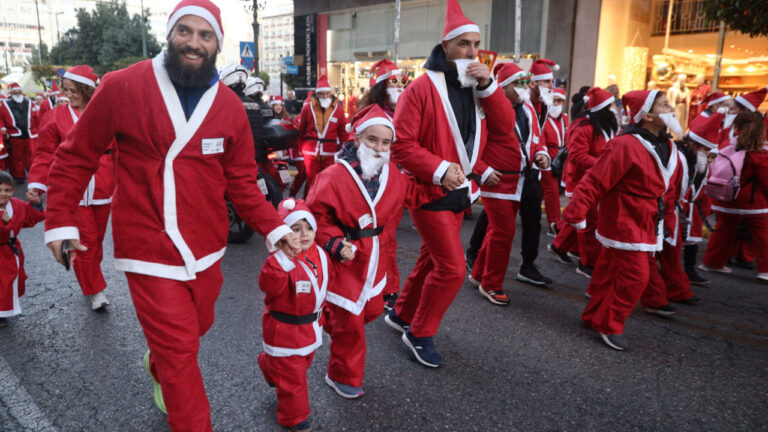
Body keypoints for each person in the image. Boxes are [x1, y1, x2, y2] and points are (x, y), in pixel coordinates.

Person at [41, 1, 301, 430]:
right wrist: (60, 220)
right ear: (169, 34)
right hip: (146, 246)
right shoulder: (124, 86)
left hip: (206, 245)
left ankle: (159, 360)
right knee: (182, 355)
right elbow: (75, 156)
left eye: (205, 35)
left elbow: (241, 185)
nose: (193, 43)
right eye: (185, 31)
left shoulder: (230, 108)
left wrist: (276, 227)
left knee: (198, 326)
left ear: (217, 44)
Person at [385, 0, 505, 367]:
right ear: (446, 46)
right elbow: (401, 145)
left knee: (430, 258)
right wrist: (439, 169)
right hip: (429, 191)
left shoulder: (476, 86)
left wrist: (489, 85)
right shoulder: (420, 88)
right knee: (452, 269)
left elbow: (499, 130)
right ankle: (419, 332)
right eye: (464, 44)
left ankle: (402, 313)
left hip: (461, 192)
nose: (472, 51)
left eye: (476, 44)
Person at [308, 104, 423, 397]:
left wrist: (448, 184)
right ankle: (343, 375)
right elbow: (315, 217)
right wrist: (334, 241)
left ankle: (329, 320)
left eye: (386, 142)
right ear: (357, 139)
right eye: (372, 139)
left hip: (376, 259)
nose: (379, 147)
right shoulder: (333, 176)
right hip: (344, 260)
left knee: (370, 310)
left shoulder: (394, 176)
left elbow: (416, 195)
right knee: (351, 323)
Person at [563, 89, 684, 351]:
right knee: (636, 277)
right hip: (624, 219)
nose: (671, 108)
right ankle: (609, 324)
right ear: (648, 115)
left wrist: (669, 222)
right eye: (664, 105)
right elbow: (595, 179)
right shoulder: (624, 144)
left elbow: (669, 189)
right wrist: (576, 210)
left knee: (613, 274)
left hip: (649, 220)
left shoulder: (668, 145)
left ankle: (593, 316)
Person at [27, 65, 115, 311]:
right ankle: (96, 289)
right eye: (66, 90)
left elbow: (121, 150)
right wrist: (37, 184)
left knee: (96, 240)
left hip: (103, 187)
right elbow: (45, 154)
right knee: (84, 240)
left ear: (87, 91)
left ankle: (90, 279)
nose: (68, 95)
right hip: (72, 191)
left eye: (74, 90)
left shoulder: (105, 113)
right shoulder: (55, 117)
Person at [468, 62, 549, 305]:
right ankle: (491, 285)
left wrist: (541, 154)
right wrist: (482, 171)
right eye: (520, 83)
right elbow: (469, 145)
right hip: (497, 181)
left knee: (497, 231)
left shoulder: (528, 110)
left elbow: (536, 139)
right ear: (502, 87)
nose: (526, 87)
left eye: (527, 82)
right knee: (504, 232)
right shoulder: (485, 110)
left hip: (520, 180)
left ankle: (478, 274)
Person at [258, 198, 334, 432]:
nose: (304, 234)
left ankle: (269, 365)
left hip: (311, 328)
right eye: (295, 228)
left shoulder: (319, 253)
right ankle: (294, 417)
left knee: (303, 364)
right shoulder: (278, 262)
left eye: (308, 227)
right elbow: (269, 286)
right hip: (286, 331)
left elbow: (325, 284)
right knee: (294, 379)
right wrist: (282, 259)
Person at [357, 58, 408, 310]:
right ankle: (374, 285)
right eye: (394, 82)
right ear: (381, 86)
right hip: (368, 183)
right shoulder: (366, 114)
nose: (400, 87)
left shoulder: (407, 111)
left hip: (395, 182)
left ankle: (388, 288)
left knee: (387, 238)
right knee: (371, 236)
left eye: (403, 82)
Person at [550, 87, 617, 277]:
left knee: (582, 218)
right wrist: (603, 165)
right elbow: (578, 156)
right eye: (611, 105)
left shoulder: (603, 126)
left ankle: (560, 244)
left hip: (595, 180)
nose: (614, 108)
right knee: (589, 222)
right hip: (581, 181)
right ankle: (587, 263)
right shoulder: (585, 127)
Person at [700, 108, 768, 283]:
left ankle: (712, 262)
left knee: (723, 230)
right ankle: (765, 271)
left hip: (726, 197)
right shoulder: (760, 153)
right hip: (753, 202)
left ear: (737, 127)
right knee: (762, 235)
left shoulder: (728, 146)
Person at [679, 112, 722, 286]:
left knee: (692, 245)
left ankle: (690, 270)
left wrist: (704, 210)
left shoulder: (705, 167)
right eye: (705, 152)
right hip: (678, 210)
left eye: (711, 155)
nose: (708, 158)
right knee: (671, 247)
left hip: (694, 212)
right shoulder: (682, 160)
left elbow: (704, 194)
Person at [0, 171, 44, 328]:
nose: (3, 194)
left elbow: (29, 218)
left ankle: (5, 308)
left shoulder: (16, 205)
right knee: (3, 282)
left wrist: (36, 204)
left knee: (12, 280)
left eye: (7, 190)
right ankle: (1, 313)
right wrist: (4, 222)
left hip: (12, 251)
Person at [295, 75, 349, 194]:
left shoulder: (338, 109)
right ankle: (309, 207)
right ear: (317, 94)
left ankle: (324, 208)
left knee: (327, 182)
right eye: (321, 94)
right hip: (311, 152)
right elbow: (301, 130)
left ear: (330, 93)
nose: (324, 96)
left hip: (329, 153)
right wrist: (300, 148)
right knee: (312, 182)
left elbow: (343, 134)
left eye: (326, 93)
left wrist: (343, 152)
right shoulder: (307, 108)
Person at [541, 88, 568, 234]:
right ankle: (554, 224)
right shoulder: (543, 118)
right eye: (554, 100)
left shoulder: (565, 118)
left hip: (561, 159)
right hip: (547, 159)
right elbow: (541, 140)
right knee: (552, 191)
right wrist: (545, 157)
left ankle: (527, 211)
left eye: (559, 101)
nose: (556, 104)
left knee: (541, 191)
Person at [0, 83, 38, 183]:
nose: (17, 94)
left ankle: (34, 174)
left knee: (32, 156)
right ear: (11, 94)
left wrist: (40, 130)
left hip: (30, 134)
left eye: (19, 92)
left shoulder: (30, 103)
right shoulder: (5, 105)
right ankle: (19, 176)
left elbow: (36, 117)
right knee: (17, 157)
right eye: (15, 93)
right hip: (15, 134)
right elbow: (1, 118)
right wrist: (3, 127)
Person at [667, 74, 690, 139]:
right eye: (681, 80)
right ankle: (673, 138)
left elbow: (688, 100)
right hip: (675, 109)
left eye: (683, 80)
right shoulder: (672, 89)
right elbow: (668, 99)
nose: (682, 81)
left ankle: (680, 138)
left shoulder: (686, 90)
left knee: (681, 124)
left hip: (683, 109)